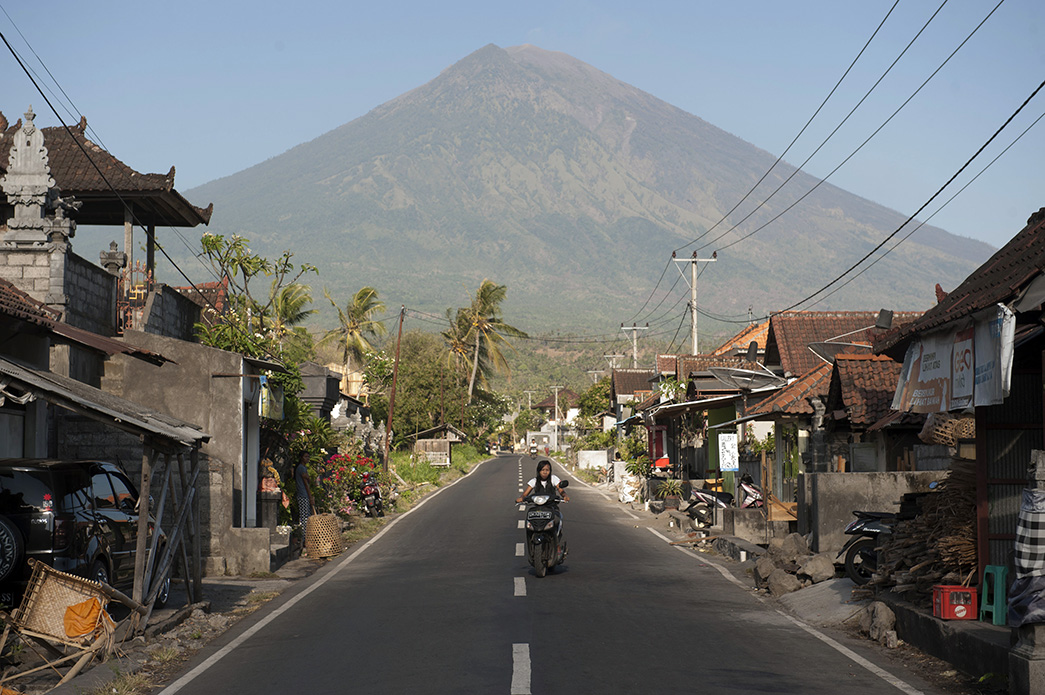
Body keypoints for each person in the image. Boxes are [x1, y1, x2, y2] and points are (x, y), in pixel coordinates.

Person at [295, 454, 316, 524]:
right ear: (301, 458)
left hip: (304, 494)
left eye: (308, 457)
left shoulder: (304, 468)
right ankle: (305, 534)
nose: (308, 458)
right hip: (302, 494)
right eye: (305, 456)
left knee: (307, 515)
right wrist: (310, 497)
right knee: (305, 516)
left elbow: (308, 481)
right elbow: (306, 484)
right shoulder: (301, 468)